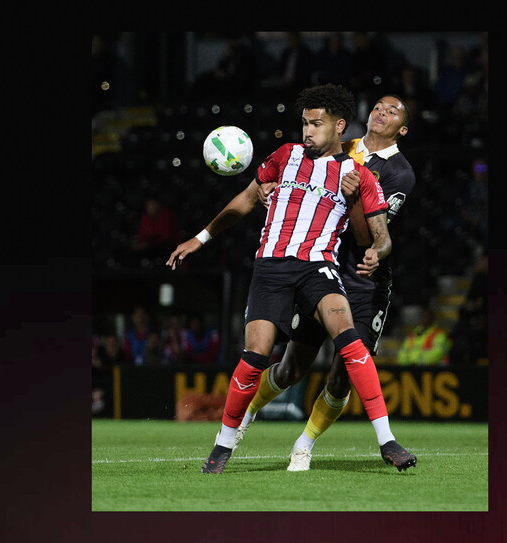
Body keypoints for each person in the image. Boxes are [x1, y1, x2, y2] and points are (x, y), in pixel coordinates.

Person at [167, 83, 415, 474]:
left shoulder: (385, 173)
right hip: (276, 267)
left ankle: (359, 441)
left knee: (346, 364)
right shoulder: (298, 154)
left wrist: (362, 224)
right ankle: (229, 436)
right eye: (304, 123)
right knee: (278, 364)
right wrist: (202, 236)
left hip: (342, 274)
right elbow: (249, 197)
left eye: (315, 124)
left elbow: (378, 238)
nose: (307, 131)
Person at [234, 94, 418, 470]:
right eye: (379, 106)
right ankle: (246, 414)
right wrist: (271, 192)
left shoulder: (400, 172)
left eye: (393, 111)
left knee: (343, 376)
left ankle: (304, 444)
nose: (382, 111)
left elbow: (372, 239)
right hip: (318, 266)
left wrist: (354, 203)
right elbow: (293, 184)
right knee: (290, 368)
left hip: (365, 280)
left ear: (402, 129)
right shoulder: (336, 146)